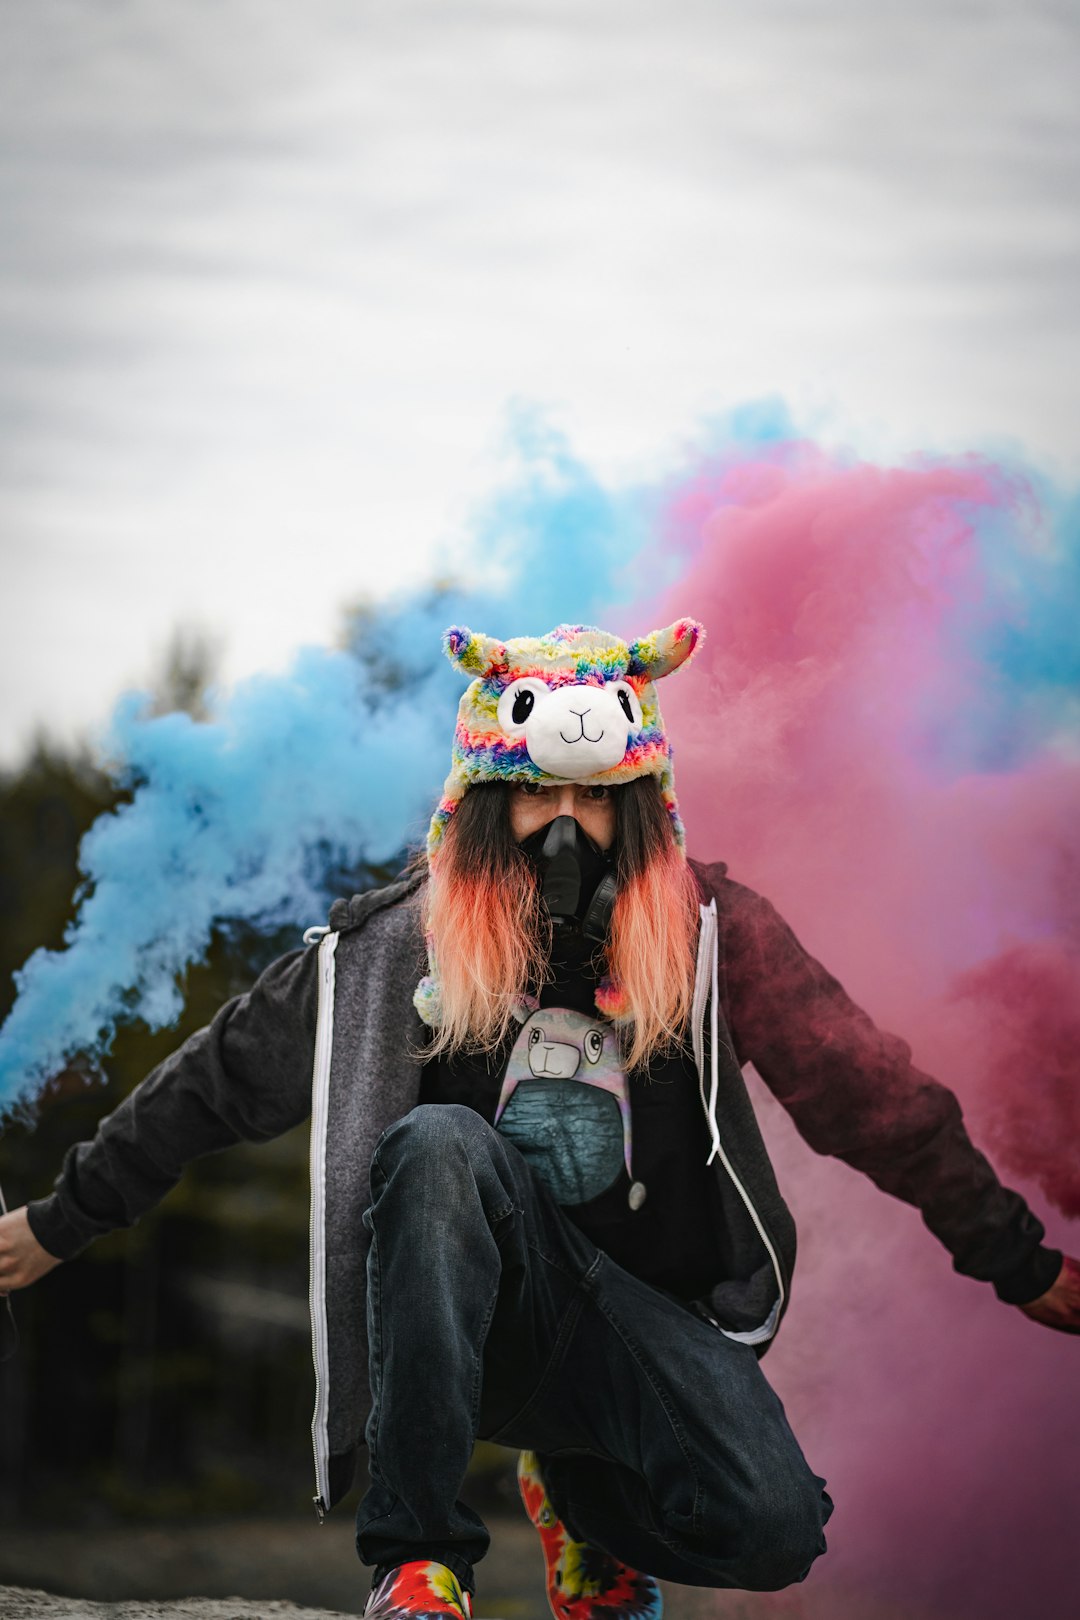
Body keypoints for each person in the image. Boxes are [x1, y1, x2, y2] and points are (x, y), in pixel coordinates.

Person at [1, 619, 1077, 1620]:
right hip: (479, 1318)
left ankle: (589, 1506)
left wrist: (1014, 1258)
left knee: (776, 1532)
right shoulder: (392, 951)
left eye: (599, 799)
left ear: (642, 800)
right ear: (483, 801)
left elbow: (871, 1095)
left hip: (641, 1323)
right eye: (537, 798)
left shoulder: (714, 937)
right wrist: (62, 1220)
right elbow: (215, 1080)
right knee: (436, 1147)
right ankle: (418, 1560)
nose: (568, 829)